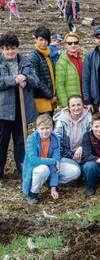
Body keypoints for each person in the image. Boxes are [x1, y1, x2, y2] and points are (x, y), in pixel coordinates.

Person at [0, 33, 39, 177]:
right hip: (3, 112)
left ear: (17, 48)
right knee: (1, 142)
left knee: (21, 142)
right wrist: (13, 79)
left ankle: (24, 171)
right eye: (6, 49)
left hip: (21, 111)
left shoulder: (25, 62)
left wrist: (26, 78)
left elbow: (36, 81)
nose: (10, 52)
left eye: (13, 48)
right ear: (2, 49)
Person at [21, 115, 66, 204]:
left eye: (47, 128)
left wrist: (54, 187)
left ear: (52, 127)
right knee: (43, 169)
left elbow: (56, 163)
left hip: (49, 167)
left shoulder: (55, 139)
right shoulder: (31, 139)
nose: (45, 131)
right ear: (37, 128)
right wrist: (53, 161)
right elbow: (34, 160)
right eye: (42, 128)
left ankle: (50, 183)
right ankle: (33, 193)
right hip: (35, 168)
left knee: (73, 171)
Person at [53, 94, 90, 180]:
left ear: (82, 105)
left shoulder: (88, 117)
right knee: (76, 171)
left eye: (78, 105)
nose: (76, 108)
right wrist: (72, 155)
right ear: (69, 108)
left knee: (90, 169)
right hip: (66, 155)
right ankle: (53, 180)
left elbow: (91, 137)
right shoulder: (61, 121)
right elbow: (57, 142)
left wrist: (82, 147)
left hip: (84, 153)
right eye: (73, 105)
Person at [28, 27, 57, 115]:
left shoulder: (47, 55)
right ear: (36, 40)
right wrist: (50, 95)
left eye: (46, 40)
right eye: (41, 40)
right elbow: (37, 80)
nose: (43, 43)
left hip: (50, 97)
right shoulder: (34, 57)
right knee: (44, 124)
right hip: (41, 99)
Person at [55, 33, 84, 108]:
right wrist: (66, 105)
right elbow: (60, 86)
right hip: (73, 104)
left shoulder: (83, 58)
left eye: (76, 42)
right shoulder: (61, 62)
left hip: (85, 99)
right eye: (70, 43)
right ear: (65, 45)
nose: (73, 45)